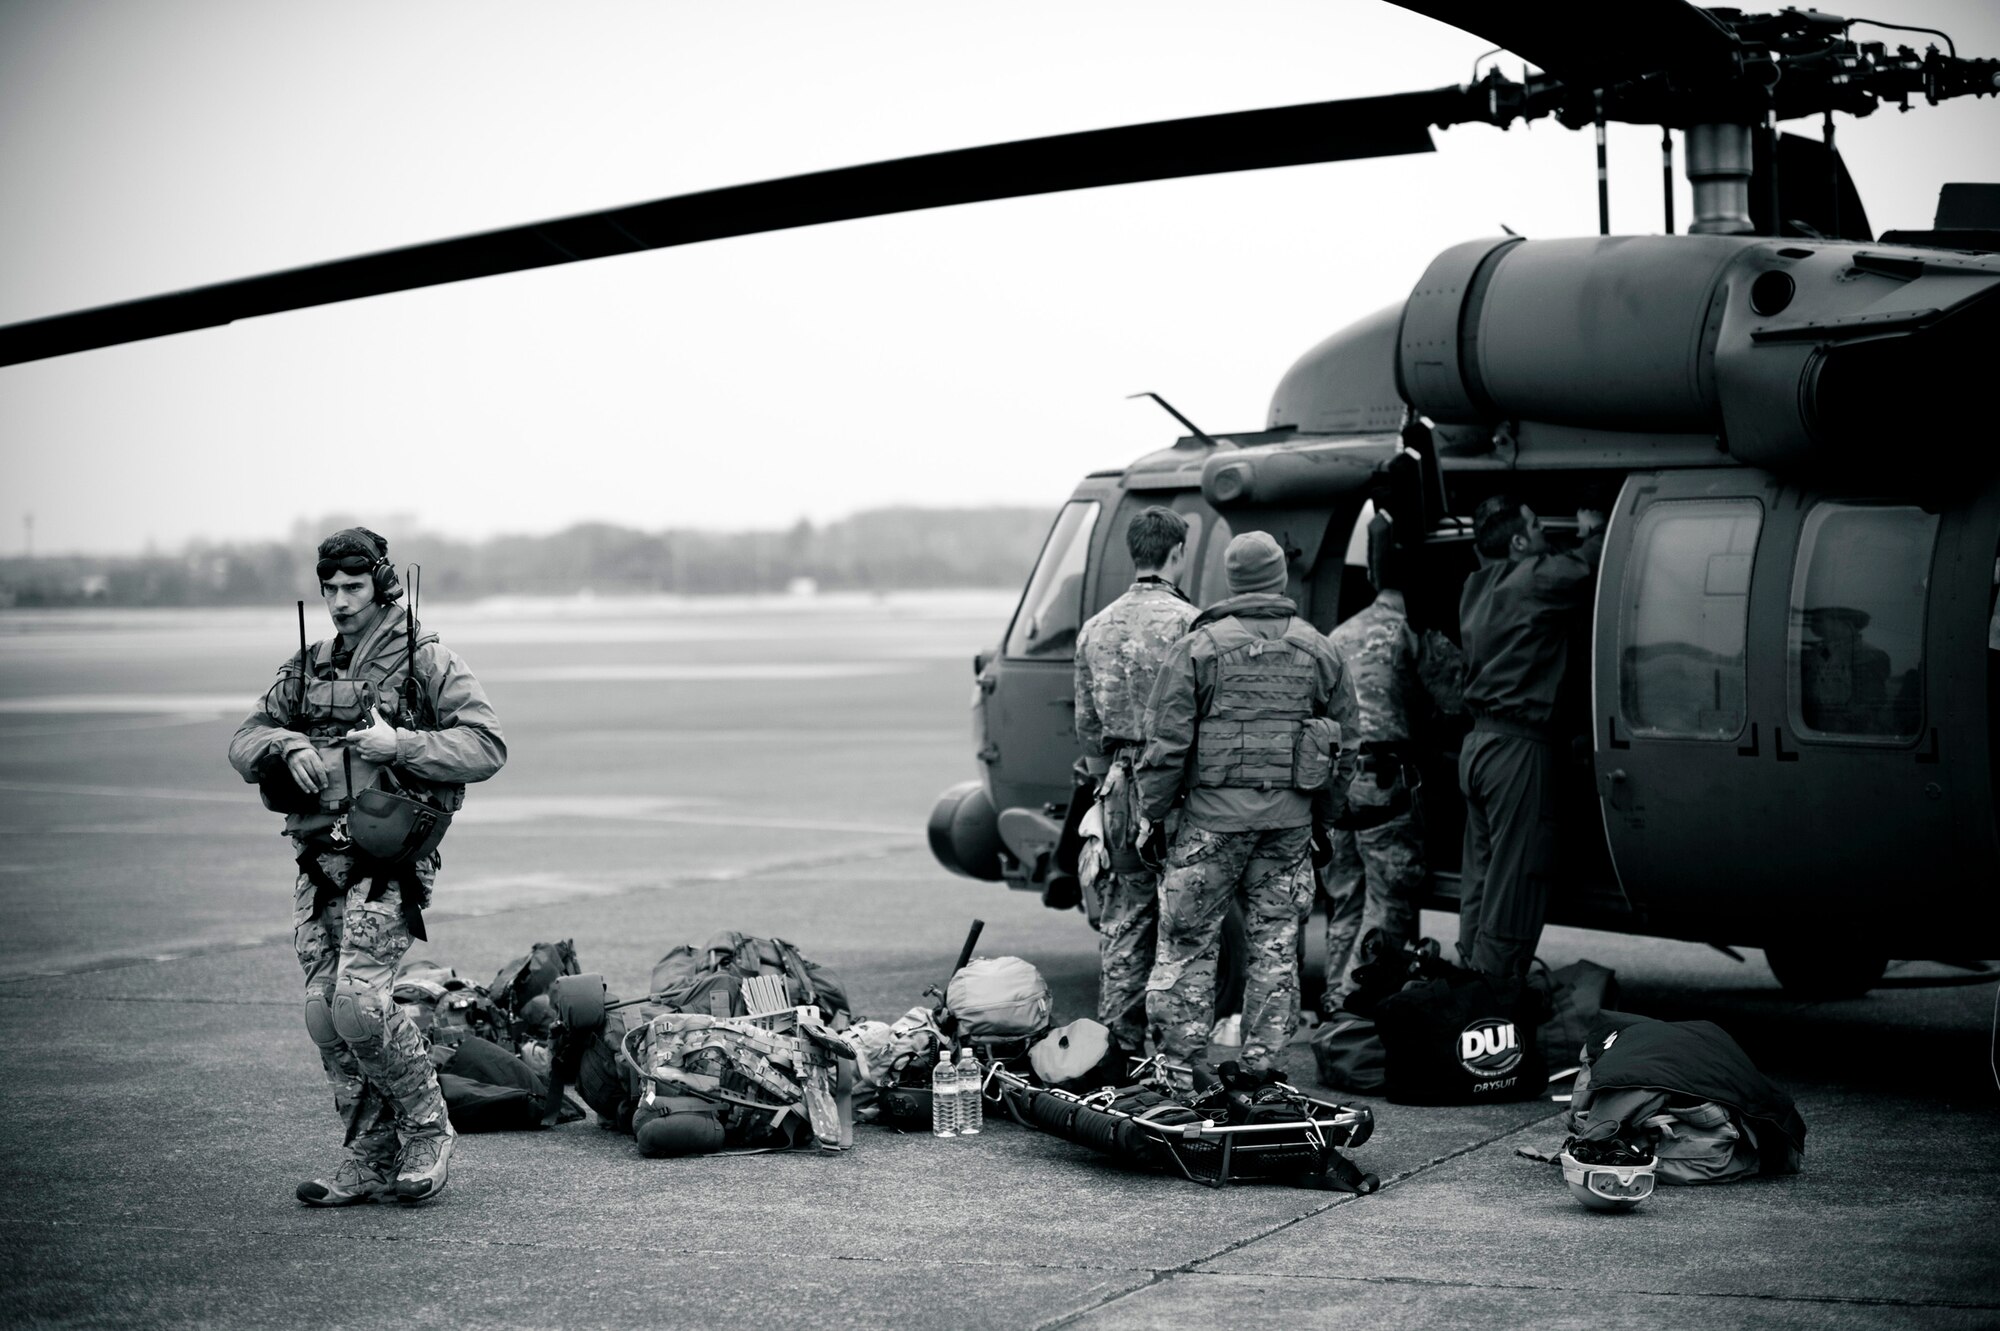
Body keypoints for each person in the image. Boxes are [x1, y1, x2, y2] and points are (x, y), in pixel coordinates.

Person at [228, 527, 506, 1205]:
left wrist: (399, 742)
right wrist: (284, 744)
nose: (339, 601)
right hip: (318, 859)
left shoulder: (427, 658)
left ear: (381, 584)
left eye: (353, 587)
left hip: (391, 857)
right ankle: (367, 1156)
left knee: (359, 1003)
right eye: (329, 588)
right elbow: (244, 738)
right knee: (325, 1014)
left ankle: (428, 1128)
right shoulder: (310, 663)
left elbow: (486, 743)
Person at [1136, 530, 1357, 1075]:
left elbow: (1165, 747)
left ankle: (1180, 1071)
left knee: (1188, 947)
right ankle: (1263, 1071)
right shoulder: (1320, 649)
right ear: (1280, 577)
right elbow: (1345, 745)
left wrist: (1153, 816)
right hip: (1288, 829)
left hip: (1210, 826)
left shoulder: (1199, 648)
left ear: (1232, 580)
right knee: (1277, 952)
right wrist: (1322, 819)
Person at [1320, 518, 1465, 1013]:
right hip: (1387, 785)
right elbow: (1458, 702)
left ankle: (1333, 1008)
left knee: (1346, 901)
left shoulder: (1338, 635)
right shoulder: (1414, 633)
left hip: (1339, 783)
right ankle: (1354, 1005)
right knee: (1390, 901)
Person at [1455, 497, 1603, 981]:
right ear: (1519, 542)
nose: (1544, 532)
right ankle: (1492, 1001)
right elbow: (1584, 568)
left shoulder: (1476, 588)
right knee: (1515, 884)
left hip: (1478, 746)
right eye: (1537, 526)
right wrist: (1592, 529)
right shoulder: (1533, 580)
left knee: (1482, 881)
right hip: (1516, 748)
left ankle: (1468, 983)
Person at [1072, 507, 1198, 1055]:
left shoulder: (1095, 628)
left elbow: (1085, 726)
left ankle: (1114, 1053)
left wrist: (1110, 785)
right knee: (1184, 921)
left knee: (1124, 917)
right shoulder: (1191, 625)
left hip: (1121, 788)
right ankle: (1173, 1052)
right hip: (1181, 790)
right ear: (1177, 553)